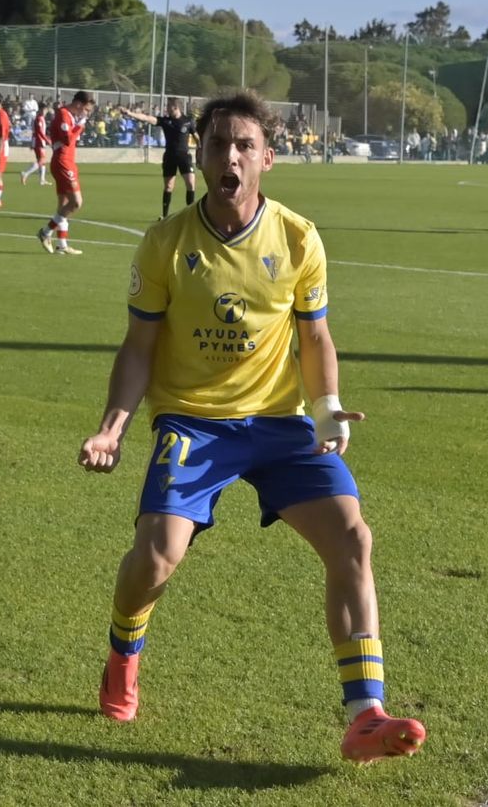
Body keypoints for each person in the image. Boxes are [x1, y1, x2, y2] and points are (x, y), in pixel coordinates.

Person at [78, 90, 426, 764]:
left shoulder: (298, 236)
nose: (229, 155)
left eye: (243, 145)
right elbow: (138, 348)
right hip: (194, 422)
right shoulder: (165, 244)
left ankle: (364, 713)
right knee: (155, 557)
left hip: (278, 422)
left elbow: (316, 336)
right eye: (216, 144)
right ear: (200, 156)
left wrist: (325, 408)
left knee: (354, 537)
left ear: (268, 156)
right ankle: (124, 649)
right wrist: (112, 427)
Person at [37, 90, 95, 256]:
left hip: (67, 160)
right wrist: (81, 124)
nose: (87, 114)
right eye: (86, 110)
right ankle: (46, 232)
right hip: (63, 161)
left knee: (63, 205)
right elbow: (68, 138)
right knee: (76, 202)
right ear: (79, 104)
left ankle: (62, 244)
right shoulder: (63, 114)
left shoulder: (69, 116)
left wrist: (79, 123)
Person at [125, 97, 198, 217]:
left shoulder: (188, 121)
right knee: (169, 186)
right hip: (169, 156)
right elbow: (147, 118)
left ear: (175, 107)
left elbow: (196, 136)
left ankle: (191, 216)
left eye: (168, 106)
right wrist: (130, 113)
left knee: (190, 183)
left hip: (184, 156)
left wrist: (200, 149)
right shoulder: (165, 121)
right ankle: (164, 215)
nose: (166, 109)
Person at [21, 104, 51, 186]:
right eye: (44, 110)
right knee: (41, 161)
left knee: (42, 161)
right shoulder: (38, 119)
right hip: (39, 142)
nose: (45, 112)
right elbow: (39, 132)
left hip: (38, 141)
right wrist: (47, 140)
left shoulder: (41, 118)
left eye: (46, 110)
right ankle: (25, 173)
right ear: (40, 110)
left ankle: (42, 180)